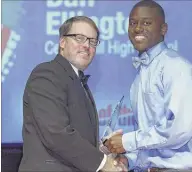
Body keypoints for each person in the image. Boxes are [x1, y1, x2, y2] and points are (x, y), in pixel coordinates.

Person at [104, 0, 192, 171]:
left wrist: (128, 142)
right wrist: (128, 160)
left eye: (147, 23)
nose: (138, 28)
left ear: (163, 29)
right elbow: (150, 139)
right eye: (133, 23)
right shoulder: (140, 76)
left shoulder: (177, 68)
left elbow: (180, 129)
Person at [18, 16, 126, 172]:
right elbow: (56, 134)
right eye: (80, 38)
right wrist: (103, 163)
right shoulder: (47, 73)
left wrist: (103, 149)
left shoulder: (79, 81)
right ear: (62, 42)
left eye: (92, 41)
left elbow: (73, 137)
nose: (87, 46)